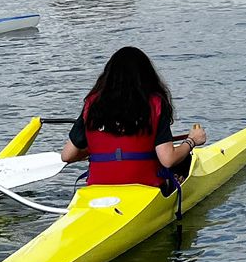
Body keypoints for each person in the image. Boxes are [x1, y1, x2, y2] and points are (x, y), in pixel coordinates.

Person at [59, 46, 207, 190]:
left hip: (98, 187)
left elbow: (67, 155)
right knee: (184, 159)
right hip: (146, 189)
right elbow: (168, 159)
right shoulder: (156, 103)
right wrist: (192, 140)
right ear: (147, 76)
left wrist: (95, 151)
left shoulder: (92, 104)